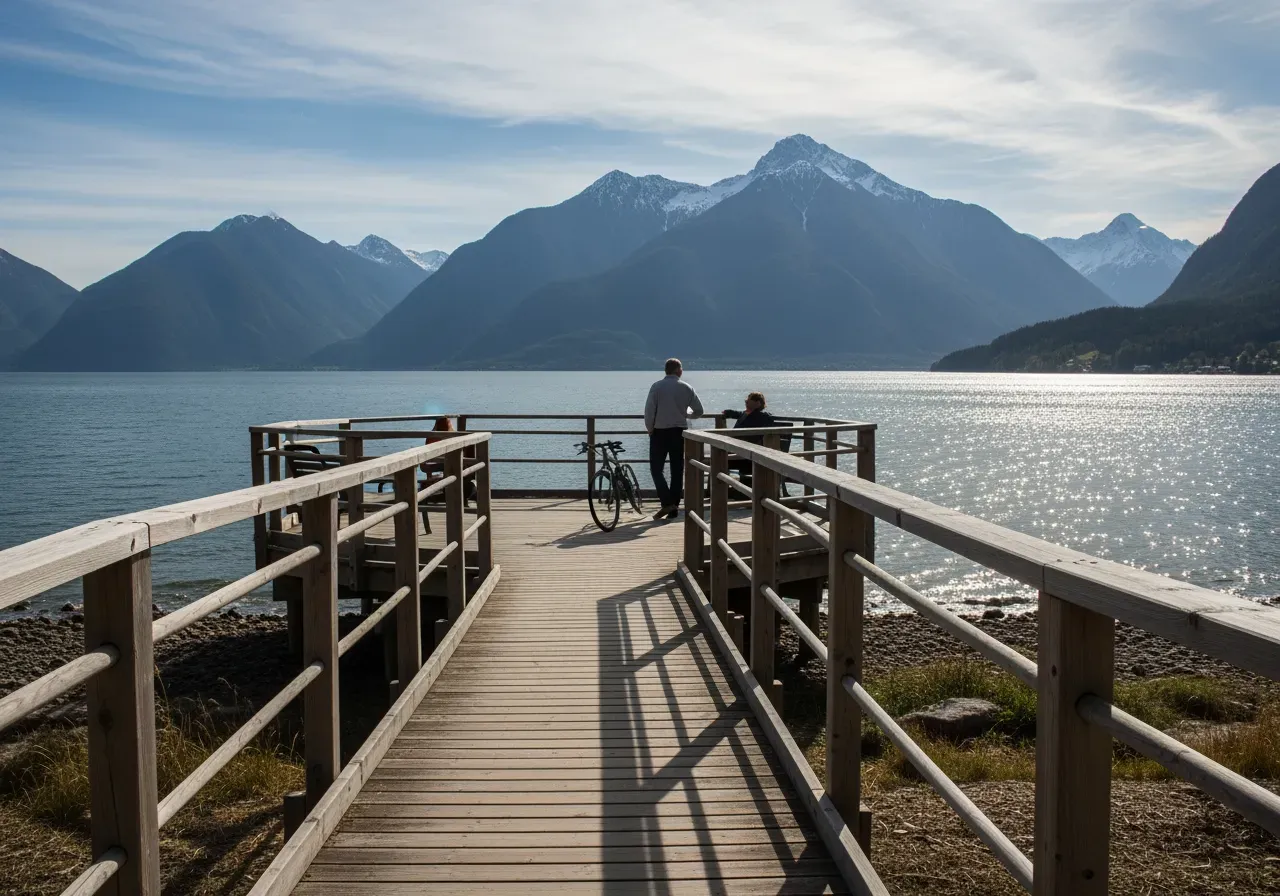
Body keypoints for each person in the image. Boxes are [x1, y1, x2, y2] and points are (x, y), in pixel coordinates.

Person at [644, 358, 704, 519]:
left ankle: (666, 502)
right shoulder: (686, 387)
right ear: (679, 371)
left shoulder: (657, 387)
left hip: (659, 431)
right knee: (677, 470)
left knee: (656, 469)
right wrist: (686, 414)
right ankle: (674, 506)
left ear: (666, 370)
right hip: (680, 431)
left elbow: (649, 410)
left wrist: (650, 429)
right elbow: (699, 410)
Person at [722, 391, 775, 486]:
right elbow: (739, 414)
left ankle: (717, 490)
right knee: (718, 457)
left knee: (718, 460)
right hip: (739, 451)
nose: (746, 401)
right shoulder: (746, 414)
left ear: (758, 403)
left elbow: (768, 418)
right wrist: (728, 413)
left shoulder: (761, 417)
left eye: (748, 400)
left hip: (745, 456)